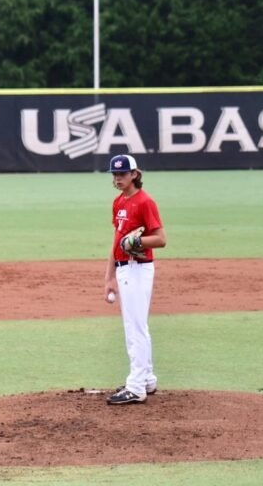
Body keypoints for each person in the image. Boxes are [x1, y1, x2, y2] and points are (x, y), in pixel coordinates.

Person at [104, 154, 167, 405]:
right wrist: (109, 277)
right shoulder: (118, 201)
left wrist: (137, 241)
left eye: (122, 173)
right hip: (123, 269)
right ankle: (147, 379)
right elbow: (116, 240)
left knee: (135, 328)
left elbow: (161, 239)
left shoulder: (145, 202)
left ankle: (136, 386)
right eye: (114, 174)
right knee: (137, 325)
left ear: (134, 174)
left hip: (138, 269)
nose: (117, 178)